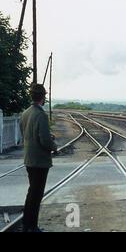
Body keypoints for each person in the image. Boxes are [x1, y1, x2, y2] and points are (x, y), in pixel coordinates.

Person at [20, 83, 57, 232]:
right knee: (36, 195)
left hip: (29, 159)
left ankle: (26, 224)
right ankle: (32, 227)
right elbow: (45, 141)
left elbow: (26, 134)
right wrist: (54, 147)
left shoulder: (26, 113)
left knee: (32, 193)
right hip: (39, 161)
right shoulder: (40, 114)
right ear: (43, 97)